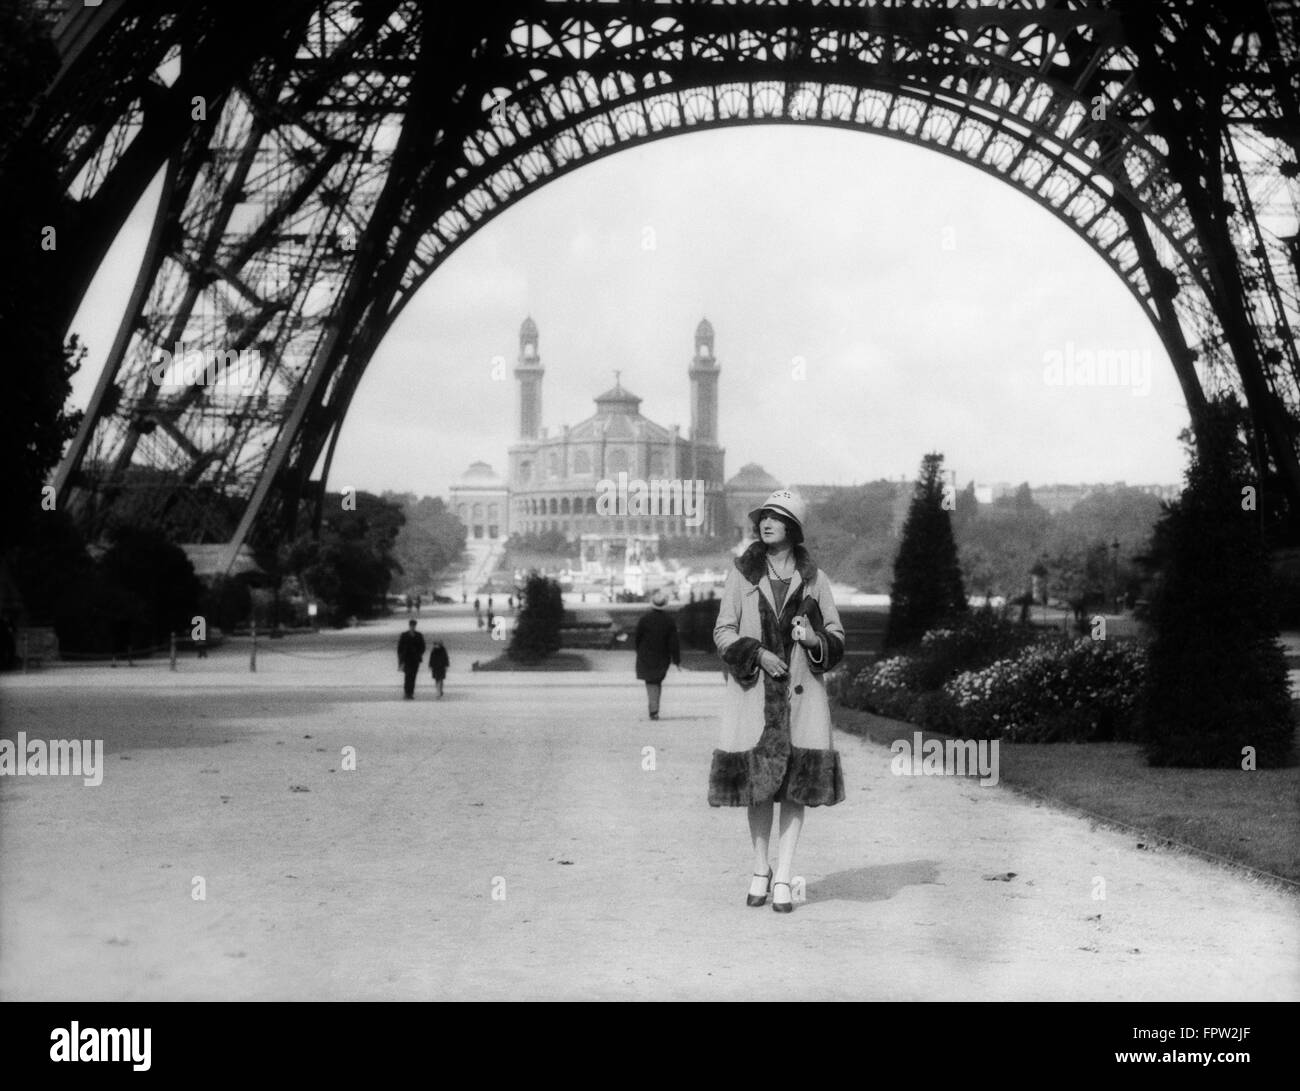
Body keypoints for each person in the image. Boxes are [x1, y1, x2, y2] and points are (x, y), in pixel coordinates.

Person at [709, 489, 845, 914]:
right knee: (757, 789)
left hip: (801, 701)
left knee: (795, 789)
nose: (766, 523)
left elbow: (838, 638)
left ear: (793, 527)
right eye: (763, 516)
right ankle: (759, 867)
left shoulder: (815, 580)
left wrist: (812, 639)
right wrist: (757, 654)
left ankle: (784, 875)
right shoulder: (742, 574)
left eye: (777, 517)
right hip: (755, 698)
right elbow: (723, 631)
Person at [635, 588, 681, 720]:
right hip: (662, 655)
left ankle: (653, 709)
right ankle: (654, 709)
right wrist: (676, 660)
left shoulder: (645, 619)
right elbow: (674, 643)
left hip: (646, 654)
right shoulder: (669, 621)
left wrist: (639, 652)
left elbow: (638, 638)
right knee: (657, 681)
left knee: (651, 682)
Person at [397, 618, 426, 699]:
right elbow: (400, 648)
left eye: (414, 625)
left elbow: (423, 647)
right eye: (411, 625)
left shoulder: (419, 635)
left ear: (415, 626)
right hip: (406, 659)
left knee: (413, 676)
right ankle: (407, 692)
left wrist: (419, 653)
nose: (412, 627)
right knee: (407, 675)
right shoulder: (404, 635)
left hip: (415, 659)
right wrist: (400, 659)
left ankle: (411, 693)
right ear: (409, 626)